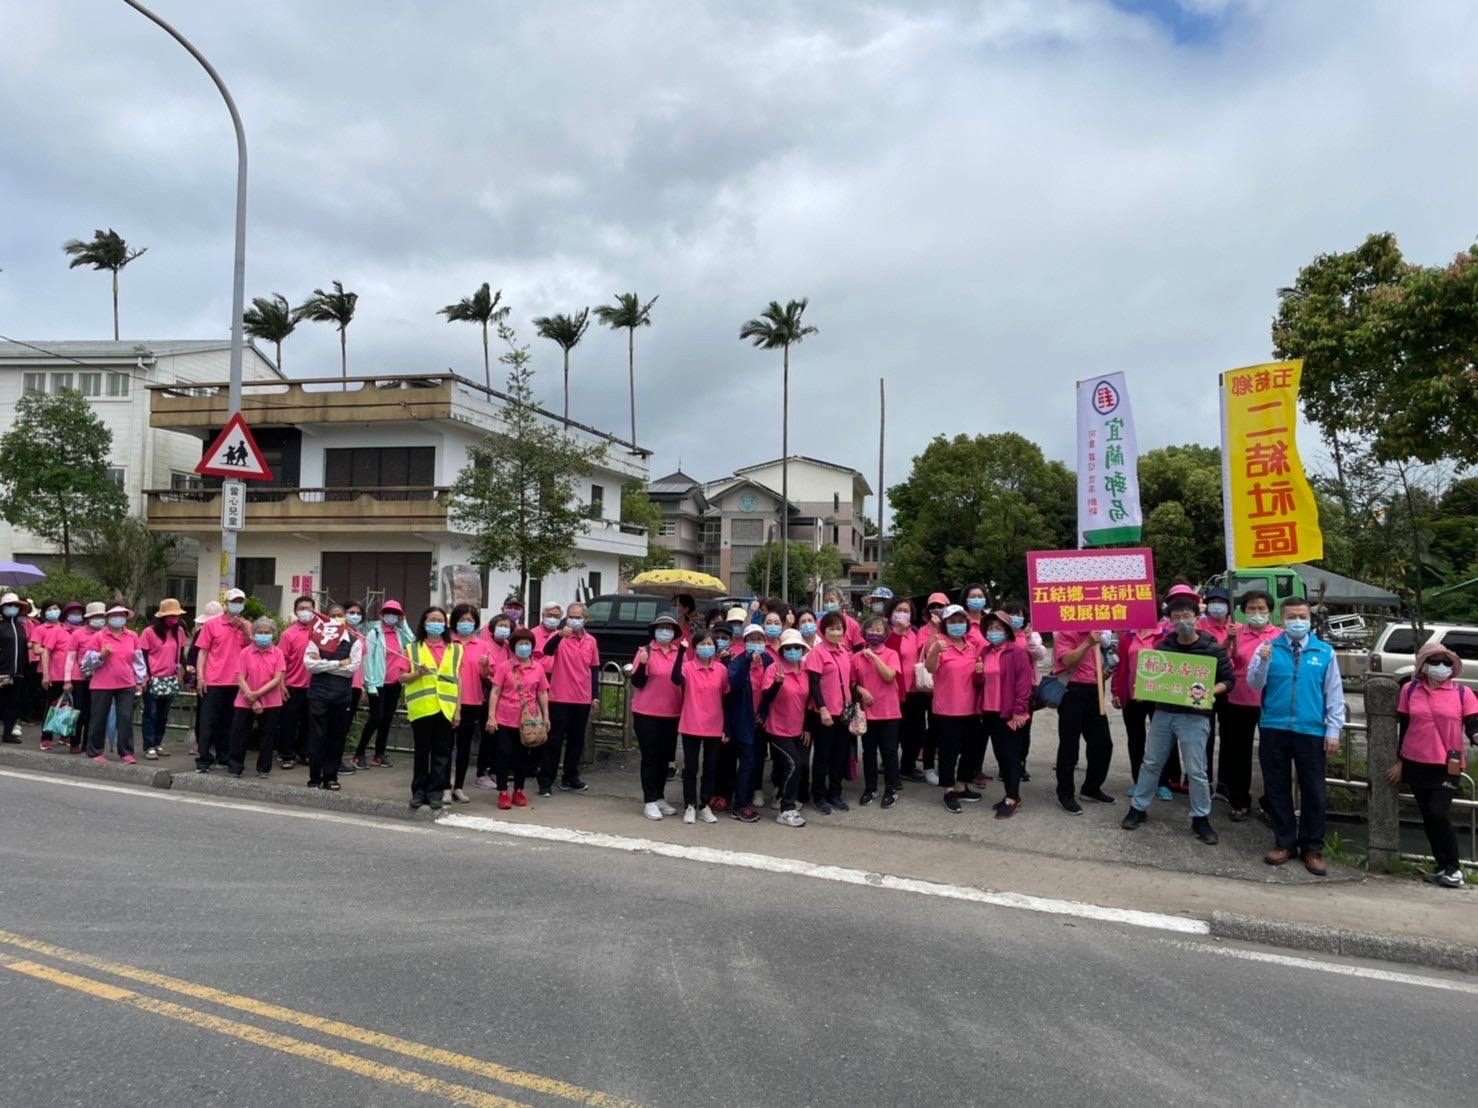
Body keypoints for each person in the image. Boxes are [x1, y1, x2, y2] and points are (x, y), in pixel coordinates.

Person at [1121, 586, 1233, 844]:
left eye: (1187, 615)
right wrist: (1144, 689)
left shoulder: (1211, 648)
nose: (1182, 620)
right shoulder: (1164, 647)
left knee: (1196, 770)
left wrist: (1210, 692)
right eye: (1177, 616)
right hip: (1164, 713)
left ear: (1197, 617)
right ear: (1169, 620)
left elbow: (1228, 681)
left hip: (1195, 717)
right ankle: (1138, 809)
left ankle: (1201, 818)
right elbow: (1153, 678)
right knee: (1151, 763)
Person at [1247, 597, 1346, 875]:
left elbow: (1334, 694)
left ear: (1310, 619)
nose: (1298, 621)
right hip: (1273, 727)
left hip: (1311, 730)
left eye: (1302, 616)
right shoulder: (1266, 647)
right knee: (1277, 788)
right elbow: (1253, 683)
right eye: (1292, 616)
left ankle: (1312, 847)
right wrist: (1263, 663)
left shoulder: (1324, 652)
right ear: (1281, 620)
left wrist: (1333, 730)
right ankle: (1284, 842)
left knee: (1314, 792)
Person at [1388, 643, 1478, 888]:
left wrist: (1475, 735)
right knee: (1428, 817)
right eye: (1436, 662)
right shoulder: (1409, 689)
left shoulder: (1463, 693)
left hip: (1447, 765)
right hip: (1415, 761)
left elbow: (1472, 723)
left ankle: (1454, 868)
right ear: (1424, 665)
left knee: (1439, 812)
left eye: (1446, 662)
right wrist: (1400, 761)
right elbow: (1405, 727)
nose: (1441, 667)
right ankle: (1441, 866)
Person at [1220, 590, 1279, 821]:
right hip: (1238, 700)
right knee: (1239, 754)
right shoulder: (1236, 634)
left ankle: (1271, 803)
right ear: (1243, 612)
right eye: (1251, 609)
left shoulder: (1280, 636)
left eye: (1261, 609)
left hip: (1270, 704)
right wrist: (1227, 640)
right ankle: (1239, 800)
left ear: (1270, 612)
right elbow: (1221, 661)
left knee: (1272, 755)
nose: (1256, 613)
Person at [924, 605, 984, 814]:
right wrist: (935, 652)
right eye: (952, 622)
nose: (957, 625)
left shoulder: (972, 647)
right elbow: (930, 669)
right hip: (946, 710)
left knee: (970, 751)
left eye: (960, 621)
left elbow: (977, 678)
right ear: (945, 625)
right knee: (949, 753)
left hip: (971, 709)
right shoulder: (940, 645)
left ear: (966, 624)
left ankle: (961, 786)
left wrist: (979, 671)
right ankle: (948, 790)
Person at [401, 607, 462, 810]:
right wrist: (417, 673)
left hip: (445, 708)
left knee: (442, 753)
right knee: (421, 753)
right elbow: (402, 677)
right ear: (424, 623)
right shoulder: (413, 648)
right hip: (422, 708)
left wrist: (458, 709)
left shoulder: (455, 649)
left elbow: (457, 680)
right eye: (432, 619)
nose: (436, 623)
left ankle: (435, 793)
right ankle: (419, 792)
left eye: (440, 620)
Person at [1052, 624, 1115, 814]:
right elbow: (1067, 661)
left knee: (1103, 744)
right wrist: (1087, 642)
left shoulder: (1099, 635)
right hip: (1072, 692)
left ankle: (1091, 788)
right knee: (1070, 746)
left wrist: (1103, 673)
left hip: (1095, 691)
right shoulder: (1065, 633)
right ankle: (1065, 794)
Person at [538, 600, 600, 797]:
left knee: (576, 741)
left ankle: (570, 776)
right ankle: (546, 780)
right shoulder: (560, 637)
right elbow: (547, 651)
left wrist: (595, 696)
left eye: (578, 617)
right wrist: (558, 637)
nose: (574, 621)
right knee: (554, 740)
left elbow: (594, 668)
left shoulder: (591, 641)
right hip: (560, 696)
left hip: (582, 697)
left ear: (585, 619)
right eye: (571, 617)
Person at [978, 611, 1035, 818]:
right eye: (990, 628)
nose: (994, 632)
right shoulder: (984, 652)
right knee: (1000, 754)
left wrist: (1019, 710)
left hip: (1010, 712)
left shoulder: (1017, 652)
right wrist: (977, 674)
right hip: (989, 711)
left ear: (1008, 631)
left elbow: (1023, 684)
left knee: (1012, 757)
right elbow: (979, 683)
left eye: (998, 628)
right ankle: (1009, 795)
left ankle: (1012, 797)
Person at [485, 628, 548, 808]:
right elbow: (495, 692)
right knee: (504, 754)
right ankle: (503, 791)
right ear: (513, 647)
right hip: (504, 717)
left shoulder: (538, 668)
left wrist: (546, 716)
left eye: (527, 643)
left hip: (527, 721)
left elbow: (542, 693)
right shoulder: (505, 667)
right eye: (520, 643)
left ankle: (519, 790)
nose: (524, 647)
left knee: (523, 757)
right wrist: (491, 716)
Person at [629, 615, 683, 820]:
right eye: (661, 628)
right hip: (646, 713)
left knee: (665, 759)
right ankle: (649, 800)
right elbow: (637, 682)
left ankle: (660, 796)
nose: (665, 632)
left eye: (669, 628)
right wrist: (642, 664)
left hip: (672, 712)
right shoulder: (645, 651)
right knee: (650, 758)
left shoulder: (681, 653)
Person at [673, 629, 729, 824]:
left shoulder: (721, 669)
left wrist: (727, 727)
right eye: (703, 644)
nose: (707, 647)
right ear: (695, 647)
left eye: (710, 644)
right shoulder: (687, 667)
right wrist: (681, 652)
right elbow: (675, 679)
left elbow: (727, 697)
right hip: (691, 723)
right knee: (691, 768)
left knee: (711, 767)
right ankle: (690, 804)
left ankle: (705, 804)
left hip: (714, 725)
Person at [1111, 623, 1172, 801]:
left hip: (1159, 697)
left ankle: (1163, 782)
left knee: (1162, 741)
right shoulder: (1128, 636)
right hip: (1132, 697)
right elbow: (1121, 666)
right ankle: (1139, 780)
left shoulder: (1166, 635)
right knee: (1136, 739)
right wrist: (1117, 691)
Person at [758, 629, 811, 827]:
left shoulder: (806, 669)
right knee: (793, 764)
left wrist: (807, 726)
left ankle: (781, 795)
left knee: (800, 765)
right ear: (782, 650)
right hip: (777, 728)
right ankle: (787, 809)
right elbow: (767, 698)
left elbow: (808, 701)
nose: (793, 651)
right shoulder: (774, 669)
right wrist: (777, 685)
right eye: (788, 648)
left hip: (798, 728)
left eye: (797, 647)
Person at [194, 589, 251, 773]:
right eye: (234, 601)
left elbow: (252, 650)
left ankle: (224, 757)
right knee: (208, 723)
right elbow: (202, 652)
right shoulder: (212, 625)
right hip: (214, 681)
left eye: (240, 601)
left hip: (237, 683)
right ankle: (203, 759)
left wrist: (244, 631)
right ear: (226, 604)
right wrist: (201, 677)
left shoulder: (246, 625)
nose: (237, 605)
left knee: (229, 724)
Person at [305, 610, 362, 791]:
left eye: (341, 615)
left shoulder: (354, 642)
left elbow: (351, 669)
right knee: (316, 738)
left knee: (336, 738)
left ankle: (330, 777)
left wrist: (323, 663)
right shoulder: (317, 639)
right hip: (318, 695)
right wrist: (338, 663)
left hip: (342, 697)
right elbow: (310, 665)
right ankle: (314, 778)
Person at [805, 610, 856, 814]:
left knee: (839, 755)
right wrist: (823, 708)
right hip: (824, 713)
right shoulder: (818, 652)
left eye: (839, 628)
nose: (836, 632)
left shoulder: (844, 651)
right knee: (822, 756)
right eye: (831, 628)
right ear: (822, 630)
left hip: (843, 712)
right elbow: (814, 683)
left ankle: (835, 793)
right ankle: (818, 795)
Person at [354, 599, 414, 769]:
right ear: (382, 614)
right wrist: (370, 683)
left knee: (387, 720)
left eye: (396, 613)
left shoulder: (401, 634)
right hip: (378, 683)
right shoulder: (375, 633)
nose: (392, 616)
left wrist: (405, 624)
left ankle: (379, 754)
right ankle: (359, 754)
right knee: (375, 718)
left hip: (395, 683)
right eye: (389, 612)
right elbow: (368, 659)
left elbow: (414, 644)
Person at [82, 604, 143, 763]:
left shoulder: (132, 636)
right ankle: (95, 751)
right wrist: (102, 656)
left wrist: (140, 681)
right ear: (108, 617)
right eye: (115, 615)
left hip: (126, 683)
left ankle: (126, 752)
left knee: (125, 718)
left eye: (122, 615)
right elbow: (87, 662)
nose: (118, 618)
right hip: (102, 683)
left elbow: (138, 661)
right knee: (98, 718)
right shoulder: (99, 636)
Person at [725, 623, 772, 822]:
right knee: (747, 763)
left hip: (760, 721)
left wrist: (764, 711)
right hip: (742, 722)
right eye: (751, 640)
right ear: (744, 643)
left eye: (759, 640)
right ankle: (740, 805)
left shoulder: (768, 660)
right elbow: (733, 686)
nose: (756, 644)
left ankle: (747, 800)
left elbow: (771, 691)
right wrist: (746, 663)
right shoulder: (737, 662)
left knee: (755, 763)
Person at [853, 615, 902, 808]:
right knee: (869, 752)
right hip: (868, 712)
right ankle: (870, 788)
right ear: (864, 633)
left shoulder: (891, 654)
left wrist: (874, 657)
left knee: (889, 752)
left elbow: (889, 676)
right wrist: (861, 689)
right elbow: (852, 682)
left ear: (885, 634)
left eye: (878, 630)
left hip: (889, 712)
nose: (874, 633)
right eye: (870, 630)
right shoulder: (856, 657)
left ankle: (891, 789)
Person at [445, 603, 490, 804]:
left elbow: (486, 676)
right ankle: (444, 786)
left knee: (463, 747)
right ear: (454, 621)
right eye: (462, 619)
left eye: (470, 620)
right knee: (445, 746)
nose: (466, 623)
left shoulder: (482, 646)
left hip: (472, 701)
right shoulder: (447, 643)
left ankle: (459, 787)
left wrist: (486, 665)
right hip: (447, 701)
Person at [229, 618, 285, 778]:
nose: (263, 635)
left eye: (267, 633)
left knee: (268, 736)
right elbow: (240, 677)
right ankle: (235, 767)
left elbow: (276, 679)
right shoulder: (245, 652)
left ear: (273, 635)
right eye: (260, 632)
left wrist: (257, 694)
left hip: (271, 700)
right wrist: (252, 699)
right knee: (239, 734)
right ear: (253, 634)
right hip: (245, 699)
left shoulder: (278, 653)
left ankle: (263, 769)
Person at [1000, 599, 1046, 781]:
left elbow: (1041, 654)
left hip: (1027, 688)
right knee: (1005, 729)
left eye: (1019, 614)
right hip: (1004, 687)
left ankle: (1020, 763)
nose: (1015, 617)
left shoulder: (1031, 635)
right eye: (1011, 613)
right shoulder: (1000, 634)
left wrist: (1028, 638)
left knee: (1023, 729)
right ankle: (1006, 766)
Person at [138, 599, 188, 760]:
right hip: (153, 678)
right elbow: (142, 656)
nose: (174, 619)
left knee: (163, 714)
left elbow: (181, 653)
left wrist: (186, 670)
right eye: (171, 615)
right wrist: (145, 677)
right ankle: (149, 745)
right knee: (150, 713)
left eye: (176, 615)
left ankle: (158, 742)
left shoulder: (179, 631)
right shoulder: (149, 632)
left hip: (170, 677)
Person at [276, 595, 317, 770]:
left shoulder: (320, 632)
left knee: (310, 723)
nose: (305, 612)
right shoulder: (288, 634)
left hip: (315, 686)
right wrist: (281, 684)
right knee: (289, 723)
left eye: (309, 608)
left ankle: (305, 753)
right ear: (295, 611)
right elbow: (280, 661)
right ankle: (287, 755)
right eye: (302, 608)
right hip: (292, 686)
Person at [475, 612, 515, 789]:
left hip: (504, 697)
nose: (504, 629)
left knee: (500, 738)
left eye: (507, 626)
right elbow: (483, 673)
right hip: (489, 695)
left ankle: (495, 770)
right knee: (487, 736)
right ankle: (481, 773)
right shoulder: (485, 646)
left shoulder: (508, 646)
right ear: (492, 628)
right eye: (501, 625)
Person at [0, 593, 30, 745]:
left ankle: (8, 733)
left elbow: (24, 649)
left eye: (15, 606)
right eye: (9, 605)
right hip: (2, 670)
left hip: (18, 671)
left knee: (13, 704)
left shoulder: (20, 628)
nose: (13, 608)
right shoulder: (1, 626)